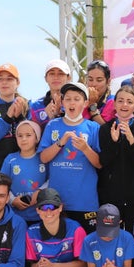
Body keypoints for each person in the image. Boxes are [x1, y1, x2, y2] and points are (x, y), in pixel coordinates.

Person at [39, 81, 102, 233]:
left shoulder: (93, 127)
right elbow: (43, 158)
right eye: (68, 99)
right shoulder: (53, 125)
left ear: (85, 103)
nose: (72, 103)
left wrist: (85, 148)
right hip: (56, 204)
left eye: (76, 98)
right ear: (62, 102)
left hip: (85, 202)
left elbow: (100, 164)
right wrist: (61, 142)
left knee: (87, 248)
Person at [98, 86, 134, 230]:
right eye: (120, 101)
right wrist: (113, 142)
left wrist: (131, 140)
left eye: (129, 101)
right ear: (114, 104)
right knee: (112, 235)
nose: (124, 105)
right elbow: (103, 161)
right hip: (111, 196)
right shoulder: (105, 128)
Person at [1, 120, 48, 224]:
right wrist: (12, 200)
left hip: (41, 216)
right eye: (20, 136)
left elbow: (52, 179)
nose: (24, 139)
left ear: (37, 138)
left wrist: (41, 190)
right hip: (16, 217)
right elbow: (2, 185)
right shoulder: (10, 160)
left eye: (28, 135)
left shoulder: (44, 158)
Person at [29, 59, 72, 128]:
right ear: (46, 78)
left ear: (68, 78)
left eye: (60, 74)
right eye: (52, 73)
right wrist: (49, 118)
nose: (56, 77)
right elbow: (34, 135)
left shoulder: (76, 103)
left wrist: (58, 116)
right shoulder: (36, 106)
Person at [84, 59, 116, 125]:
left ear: (108, 81)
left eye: (99, 80)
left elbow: (104, 130)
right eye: (90, 79)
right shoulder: (81, 99)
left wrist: (92, 106)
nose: (93, 84)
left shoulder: (113, 101)